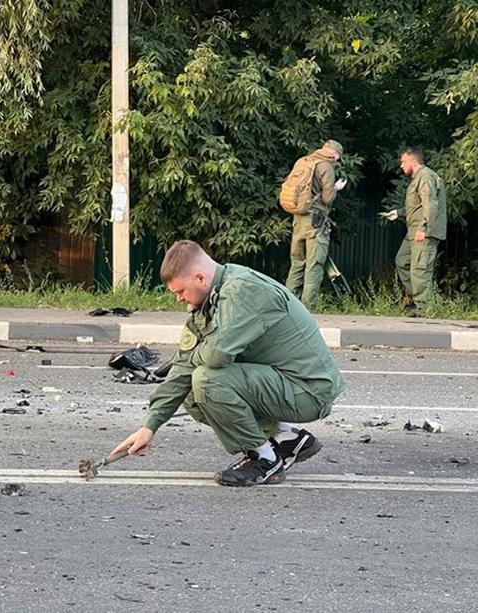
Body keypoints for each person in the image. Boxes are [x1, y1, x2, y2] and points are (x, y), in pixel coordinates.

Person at [111, 240, 344, 486]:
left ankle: (264, 460)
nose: (179, 299)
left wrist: (194, 358)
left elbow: (214, 356)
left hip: (308, 390)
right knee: (191, 387)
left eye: (180, 291)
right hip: (283, 382)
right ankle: (285, 438)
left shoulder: (243, 292)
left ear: (200, 278)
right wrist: (149, 426)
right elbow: (182, 366)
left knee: (207, 379)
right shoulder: (211, 299)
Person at [284, 139, 348, 308]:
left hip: (298, 218)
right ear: (334, 154)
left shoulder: (303, 161)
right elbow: (327, 198)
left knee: (297, 263)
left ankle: (289, 306)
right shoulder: (326, 167)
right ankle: (306, 308)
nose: (337, 161)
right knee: (315, 264)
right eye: (338, 158)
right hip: (316, 221)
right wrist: (336, 188)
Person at [383, 147, 446, 315]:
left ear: (413, 161)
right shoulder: (418, 178)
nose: (402, 166)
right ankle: (416, 299)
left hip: (422, 232)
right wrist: (399, 213)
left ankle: (423, 310)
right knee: (402, 261)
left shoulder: (425, 177)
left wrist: (424, 229)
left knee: (420, 270)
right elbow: (417, 205)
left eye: (403, 162)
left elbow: (431, 205)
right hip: (413, 232)